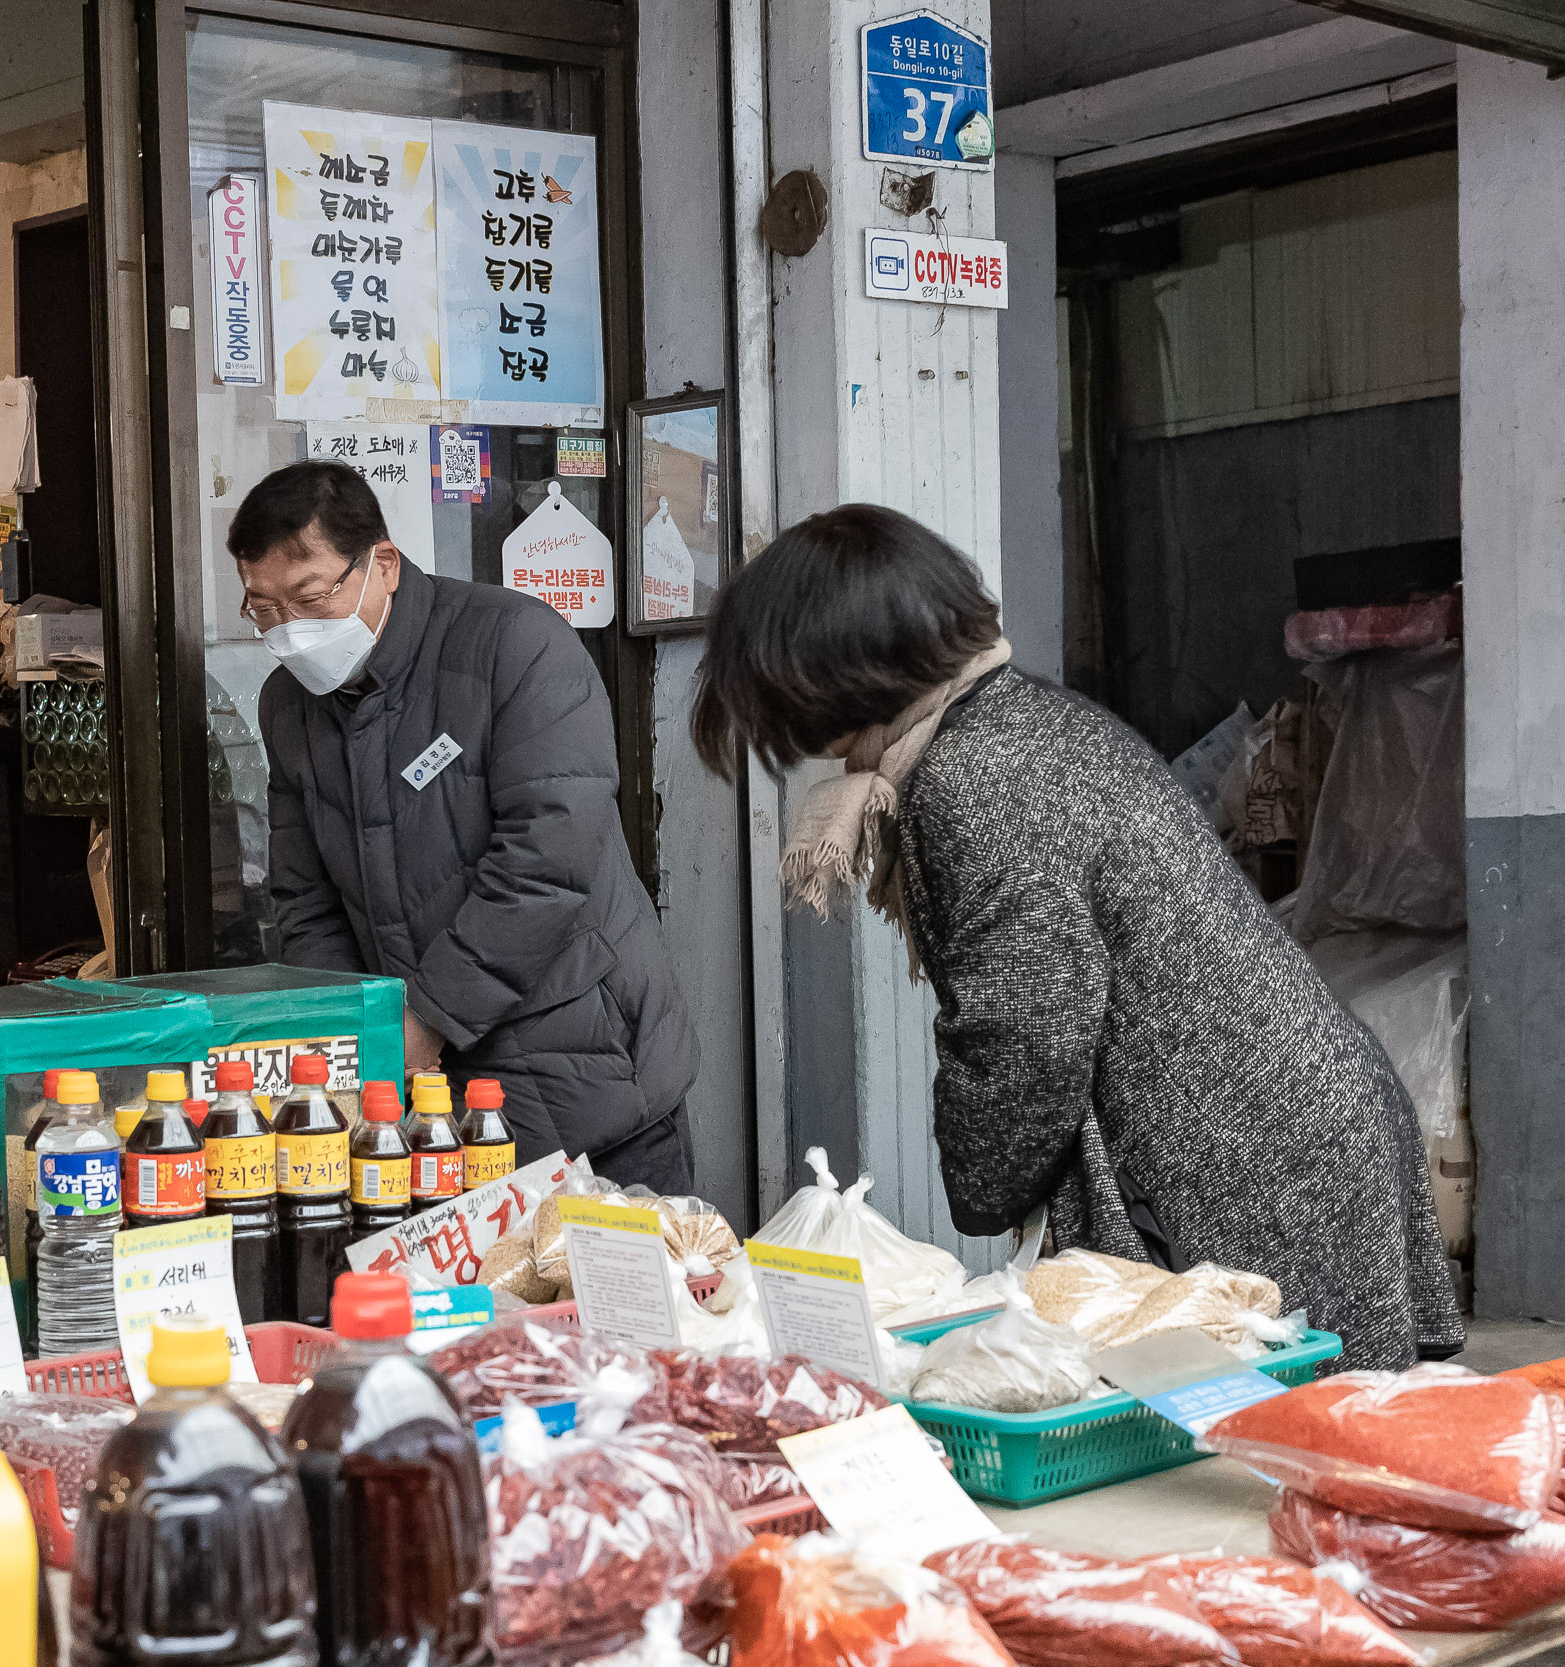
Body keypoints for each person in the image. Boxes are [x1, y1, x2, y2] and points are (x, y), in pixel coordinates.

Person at [690, 502, 1462, 1369]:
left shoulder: (975, 776)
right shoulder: (1009, 722)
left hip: (1248, 1169)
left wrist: (982, 1191)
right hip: (1281, 1134)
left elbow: (1024, 1032)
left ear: (831, 668)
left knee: (1266, 1462)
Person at [237, 460, 699, 1192]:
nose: (291, 632)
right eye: (264, 609)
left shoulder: (516, 645)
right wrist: (356, 1046)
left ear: (381, 564)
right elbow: (305, 897)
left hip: (589, 1078)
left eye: (310, 598)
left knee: (620, 1301)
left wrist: (429, 1015)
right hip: (424, 1114)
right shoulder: (289, 705)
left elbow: (547, 861)